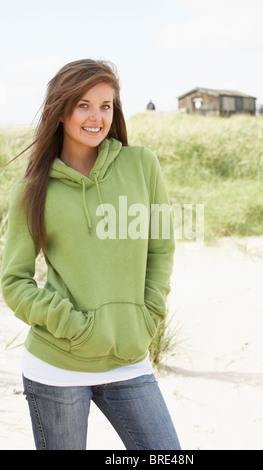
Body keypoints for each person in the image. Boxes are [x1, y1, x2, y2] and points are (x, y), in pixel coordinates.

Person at [1, 59, 180, 451]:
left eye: (106, 105)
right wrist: (72, 325)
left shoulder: (141, 165)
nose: (96, 117)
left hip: (128, 356)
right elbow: (14, 282)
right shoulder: (33, 190)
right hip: (57, 364)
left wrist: (148, 315)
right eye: (83, 104)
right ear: (61, 110)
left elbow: (161, 245)